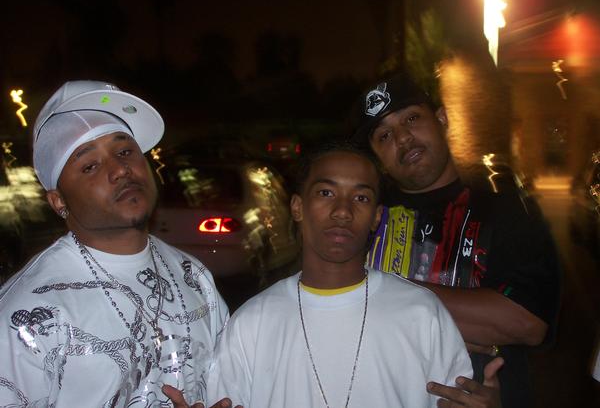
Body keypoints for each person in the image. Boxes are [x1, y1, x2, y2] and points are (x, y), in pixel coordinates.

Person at [167, 141, 474, 408]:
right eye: (326, 193)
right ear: (297, 207)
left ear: (376, 217)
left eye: (361, 198)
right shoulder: (252, 323)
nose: (343, 211)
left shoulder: (421, 312)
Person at [0, 81, 234, 408]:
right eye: (90, 166)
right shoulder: (26, 314)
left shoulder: (193, 276)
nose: (120, 170)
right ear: (58, 201)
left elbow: (228, 384)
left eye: (125, 152)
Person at [352, 73, 561, 408]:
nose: (403, 138)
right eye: (384, 135)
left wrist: (376, 292)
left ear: (442, 118)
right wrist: (460, 321)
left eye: (411, 119)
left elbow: (527, 322)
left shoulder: (503, 206)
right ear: (377, 156)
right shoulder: (364, 217)